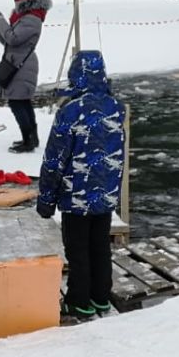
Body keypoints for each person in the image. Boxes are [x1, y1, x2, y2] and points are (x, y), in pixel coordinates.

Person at [36, 51, 125, 323]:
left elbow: (55, 159)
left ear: (75, 75)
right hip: (105, 194)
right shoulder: (116, 107)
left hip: (77, 195)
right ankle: (101, 296)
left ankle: (78, 301)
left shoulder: (71, 111)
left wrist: (46, 199)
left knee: (77, 250)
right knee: (100, 246)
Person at [0, 0, 52, 153]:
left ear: (24, 3)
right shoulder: (25, 18)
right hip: (18, 63)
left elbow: (13, 39)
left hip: (22, 65)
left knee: (17, 102)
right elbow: (7, 41)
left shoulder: (31, 19)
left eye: (17, 2)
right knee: (22, 101)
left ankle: (28, 140)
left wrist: (1, 21)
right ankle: (31, 138)